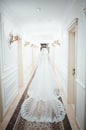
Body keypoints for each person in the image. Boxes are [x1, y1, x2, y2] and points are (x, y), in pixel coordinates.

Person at [20, 47, 66, 123]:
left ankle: (40, 91)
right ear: (46, 52)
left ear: (41, 51)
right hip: (47, 69)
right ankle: (46, 91)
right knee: (47, 80)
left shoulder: (40, 55)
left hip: (41, 70)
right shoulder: (48, 55)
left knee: (40, 80)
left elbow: (38, 63)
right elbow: (49, 62)